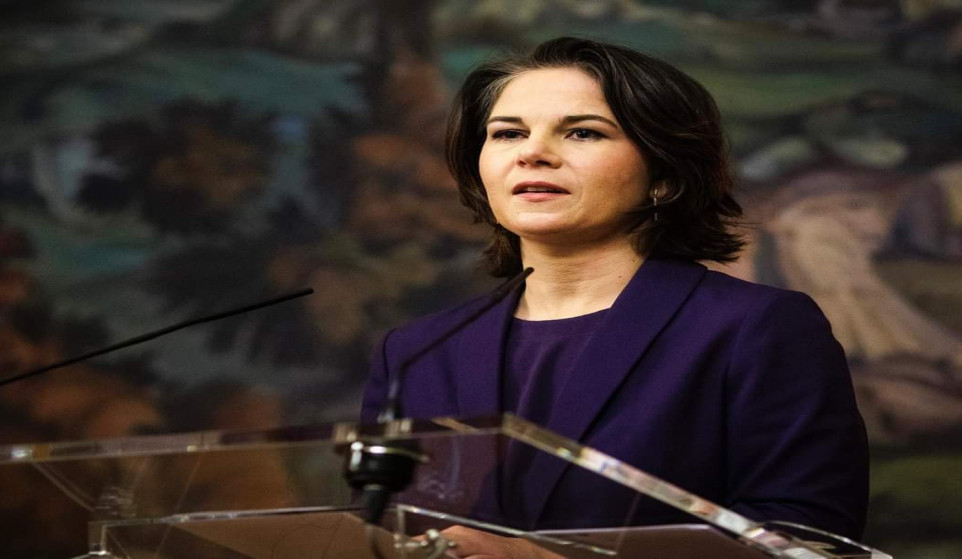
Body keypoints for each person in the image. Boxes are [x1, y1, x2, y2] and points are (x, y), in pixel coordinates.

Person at [361, 36, 869, 556]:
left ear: (663, 176)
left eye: (582, 132)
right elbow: (377, 535)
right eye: (508, 133)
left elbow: (807, 540)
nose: (532, 153)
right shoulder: (415, 352)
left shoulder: (756, 329)